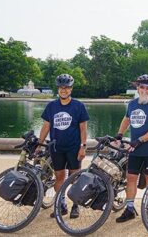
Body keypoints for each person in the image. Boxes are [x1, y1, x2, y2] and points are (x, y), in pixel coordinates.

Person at [115, 74, 148, 223]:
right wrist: (119, 134)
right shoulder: (132, 104)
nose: (144, 90)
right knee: (131, 178)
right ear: (137, 88)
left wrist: (140, 140)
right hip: (134, 149)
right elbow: (127, 119)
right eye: (141, 87)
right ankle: (130, 209)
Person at [38, 74, 89, 218]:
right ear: (58, 89)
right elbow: (46, 126)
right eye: (61, 88)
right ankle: (61, 205)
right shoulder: (52, 106)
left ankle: (75, 205)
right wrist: (39, 143)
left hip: (73, 147)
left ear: (71, 89)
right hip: (56, 148)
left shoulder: (78, 106)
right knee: (59, 177)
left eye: (66, 88)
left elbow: (83, 129)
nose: (64, 90)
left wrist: (83, 146)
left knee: (74, 178)